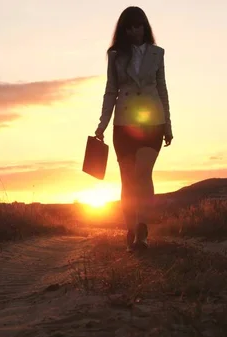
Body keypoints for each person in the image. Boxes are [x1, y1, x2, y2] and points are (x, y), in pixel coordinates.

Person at [94, 6, 173, 251]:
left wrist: (168, 125)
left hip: (153, 123)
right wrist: (102, 124)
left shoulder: (158, 53)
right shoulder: (116, 55)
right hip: (124, 123)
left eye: (138, 25)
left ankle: (142, 230)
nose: (134, 31)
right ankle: (130, 231)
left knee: (143, 175)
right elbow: (110, 90)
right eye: (129, 27)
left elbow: (162, 89)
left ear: (145, 27)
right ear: (123, 30)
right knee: (128, 180)